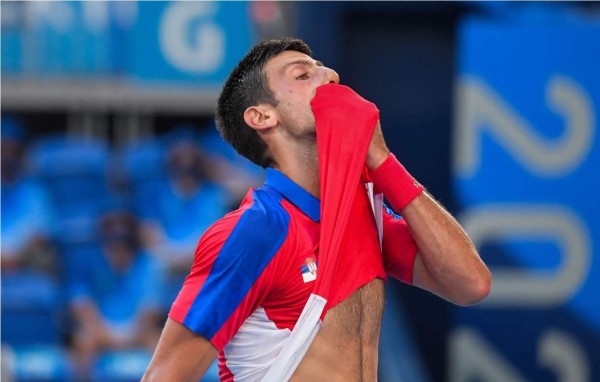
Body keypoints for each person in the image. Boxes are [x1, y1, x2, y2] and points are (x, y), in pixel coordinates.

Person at [143, 38, 491, 381]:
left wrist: (381, 160)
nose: (331, 77)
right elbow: (164, 375)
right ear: (262, 116)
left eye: (324, 69)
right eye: (302, 75)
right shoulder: (256, 231)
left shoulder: (365, 217)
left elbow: (470, 284)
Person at [68, 204, 165, 376]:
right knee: (82, 343)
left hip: (139, 332)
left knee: (161, 347)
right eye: (113, 243)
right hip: (99, 331)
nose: (118, 250)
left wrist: (131, 336)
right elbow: (81, 306)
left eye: (124, 243)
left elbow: (151, 311)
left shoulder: (149, 264)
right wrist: (103, 334)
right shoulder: (88, 262)